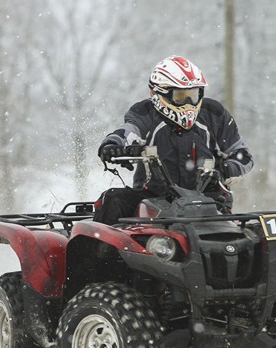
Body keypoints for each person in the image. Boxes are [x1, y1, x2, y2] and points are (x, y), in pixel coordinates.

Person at [94, 55, 253, 224]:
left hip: (209, 201)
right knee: (112, 199)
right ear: (158, 93)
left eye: (194, 95)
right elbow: (128, 132)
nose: (189, 103)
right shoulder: (145, 113)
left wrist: (226, 169)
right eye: (180, 96)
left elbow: (243, 155)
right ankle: (97, 248)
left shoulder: (213, 114)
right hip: (154, 198)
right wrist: (112, 144)